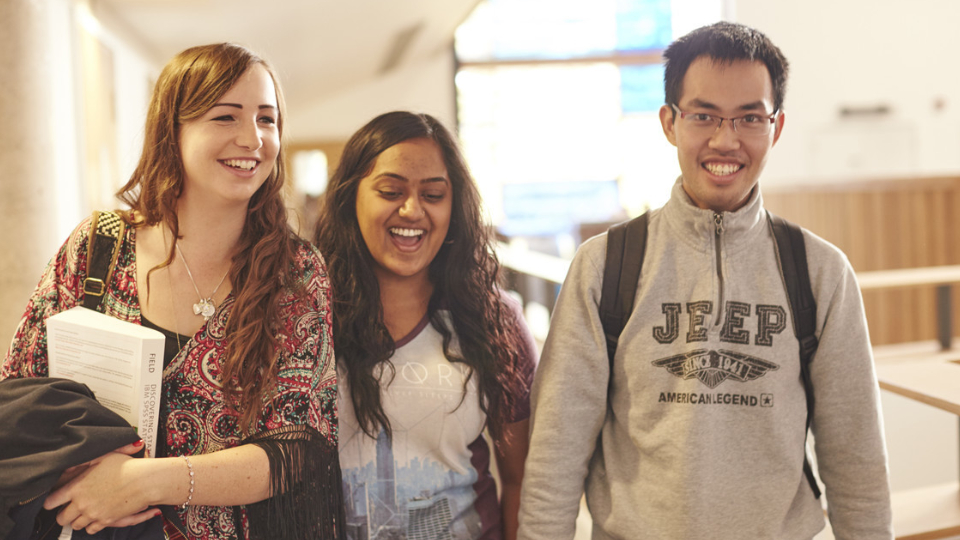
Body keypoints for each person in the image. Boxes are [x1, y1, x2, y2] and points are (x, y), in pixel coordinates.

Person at [518, 22, 893, 540]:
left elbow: (857, 460)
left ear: (776, 128)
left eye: (748, 118)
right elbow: (555, 455)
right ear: (669, 122)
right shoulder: (605, 265)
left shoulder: (820, 272)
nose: (725, 140)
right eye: (704, 116)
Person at [1, 43, 343, 540]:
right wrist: (85, 478)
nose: (252, 138)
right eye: (225, 117)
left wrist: (143, 483)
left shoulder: (295, 272)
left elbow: (301, 446)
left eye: (267, 119)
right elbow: (20, 395)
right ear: (172, 130)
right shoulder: (98, 249)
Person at [313, 111, 538, 540]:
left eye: (433, 194)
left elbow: (522, 477)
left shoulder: (493, 319)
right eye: (390, 191)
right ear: (350, 197)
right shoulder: (307, 315)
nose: (412, 210)